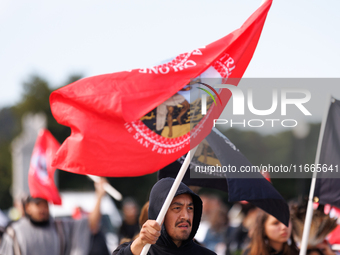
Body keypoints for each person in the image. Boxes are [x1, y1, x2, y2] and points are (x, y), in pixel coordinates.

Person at [0, 178, 107, 255]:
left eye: (45, 204)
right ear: (27, 207)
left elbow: (91, 223)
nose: (43, 209)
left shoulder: (60, 228)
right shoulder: (14, 233)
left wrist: (99, 196)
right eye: (38, 204)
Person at [113, 177, 216, 255]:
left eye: (190, 208)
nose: (186, 216)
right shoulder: (139, 251)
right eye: (177, 208)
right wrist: (140, 243)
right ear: (159, 212)